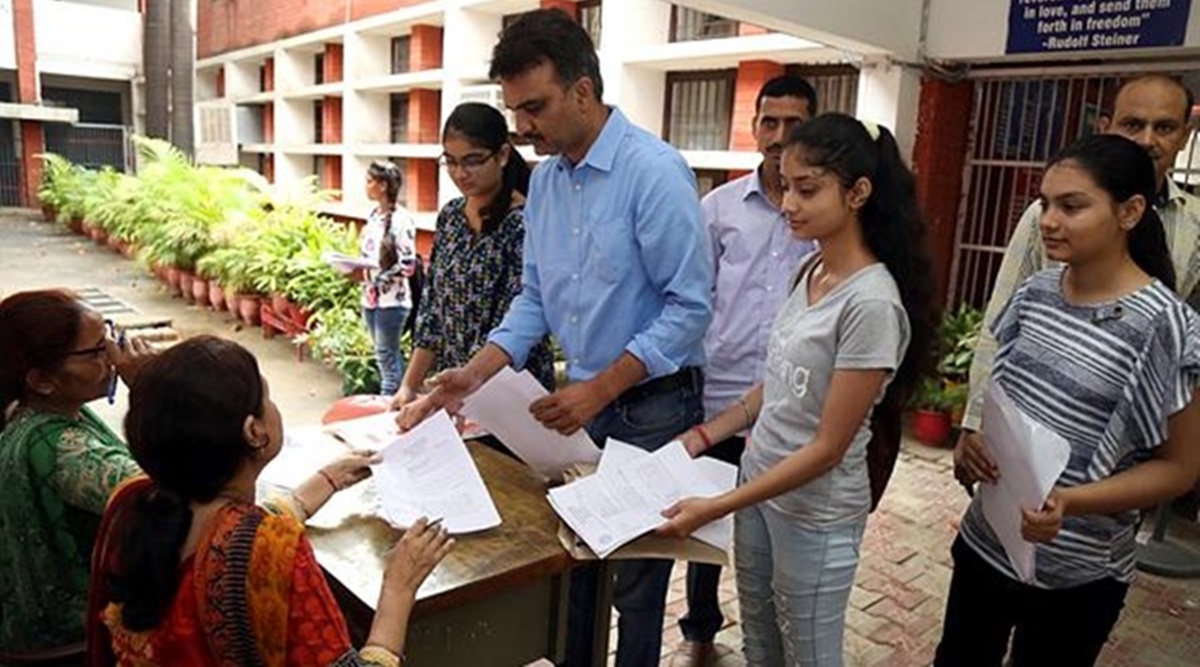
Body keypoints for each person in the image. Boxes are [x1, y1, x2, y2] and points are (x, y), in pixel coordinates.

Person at [397, 9, 712, 666]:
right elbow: (534, 301)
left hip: (653, 404)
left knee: (637, 581)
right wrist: (475, 372)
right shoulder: (546, 184)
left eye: (534, 107)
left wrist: (599, 388)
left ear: (584, 91)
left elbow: (689, 310)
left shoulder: (653, 173)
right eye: (515, 110)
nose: (523, 127)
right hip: (585, 405)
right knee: (576, 562)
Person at [659, 113, 938, 667]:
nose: (788, 203)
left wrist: (719, 503)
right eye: (785, 186)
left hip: (813, 511)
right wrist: (704, 434)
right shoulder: (809, 271)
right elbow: (780, 385)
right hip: (760, 492)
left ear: (858, 192)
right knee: (762, 644)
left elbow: (827, 447)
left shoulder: (871, 304)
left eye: (806, 189)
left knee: (808, 652)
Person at [934, 135, 1200, 666]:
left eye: (1071, 206)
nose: (1049, 220)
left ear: (1130, 212)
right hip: (989, 541)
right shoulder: (1037, 293)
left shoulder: (1164, 327)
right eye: (1045, 204)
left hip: (1078, 572)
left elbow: (1180, 468)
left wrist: (1072, 503)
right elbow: (1004, 398)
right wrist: (973, 441)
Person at [86, 336, 453, 666]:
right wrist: (399, 588)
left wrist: (326, 481)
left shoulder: (135, 500)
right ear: (254, 431)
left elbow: (230, 538)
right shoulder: (269, 547)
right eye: (267, 396)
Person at [959, 74, 1200, 461]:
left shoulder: (1194, 226)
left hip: (1128, 443)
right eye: (1132, 124)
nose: (1147, 140)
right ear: (1106, 127)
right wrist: (975, 423)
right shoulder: (1046, 220)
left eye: (1165, 127)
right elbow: (999, 326)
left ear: (1186, 136)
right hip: (1032, 429)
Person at [668, 74, 819, 667]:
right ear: (755, 128)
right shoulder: (719, 208)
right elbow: (695, 297)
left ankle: (776, 641)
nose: (780, 137)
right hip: (721, 399)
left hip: (792, 410)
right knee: (705, 530)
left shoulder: (824, 215)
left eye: (795, 124)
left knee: (780, 532)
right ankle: (699, 634)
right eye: (770, 122)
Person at [0, 289, 150, 655]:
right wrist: (153, 390)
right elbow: (179, 502)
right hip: (73, 646)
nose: (115, 356)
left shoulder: (43, 413)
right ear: (41, 380)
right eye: (97, 350)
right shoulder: (63, 450)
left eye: (110, 337)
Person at [392, 102, 555, 412]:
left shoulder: (523, 224)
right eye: (450, 162)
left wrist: (436, 398)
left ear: (503, 155)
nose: (460, 173)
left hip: (510, 393)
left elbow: (511, 324)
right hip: (455, 387)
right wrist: (408, 387)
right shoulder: (451, 217)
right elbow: (431, 312)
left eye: (472, 161)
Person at [359, 160, 419, 396]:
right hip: (370, 300)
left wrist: (376, 279)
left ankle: (387, 411)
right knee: (384, 355)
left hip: (392, 302)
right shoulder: (373, 216)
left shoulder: (402, 220)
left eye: (369, 181)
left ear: (383, 186)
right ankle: (399, 402)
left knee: (387, 359)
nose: (366, 186)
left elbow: (408, 265)